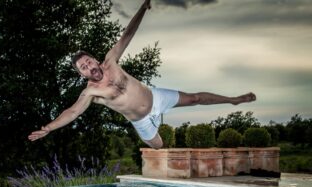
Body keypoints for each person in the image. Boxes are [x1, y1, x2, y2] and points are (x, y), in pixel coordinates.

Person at [28, 0, 256, 149]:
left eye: (88, 61)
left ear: (95, 60)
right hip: (141, 121)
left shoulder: (110, 60)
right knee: (160, 148)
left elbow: (127, 35)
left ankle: (234, 100)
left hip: (155, 97)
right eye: (83, 68)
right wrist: (48, 127)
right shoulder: (90, 92)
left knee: (194, 98)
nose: (89, 67)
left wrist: (142, 9)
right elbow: (73, 112)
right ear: (82, 74)